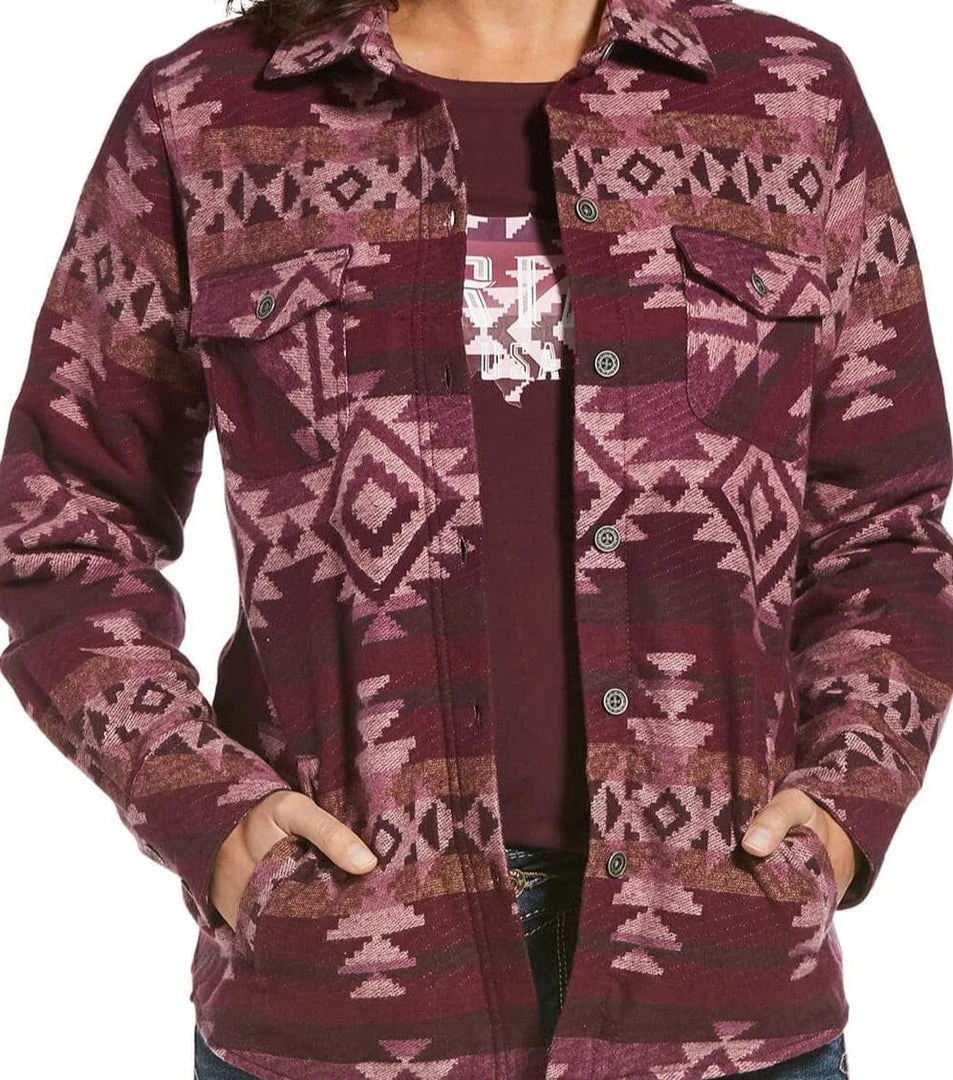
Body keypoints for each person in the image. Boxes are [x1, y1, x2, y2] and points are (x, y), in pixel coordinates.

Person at [0, 0, 948, 1077]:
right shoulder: (206, 114)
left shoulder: (789, 99)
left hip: (721, 984)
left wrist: (842, 805)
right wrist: (207, 815)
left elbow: (884, 527)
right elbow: (63, 529)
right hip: (345, 992)